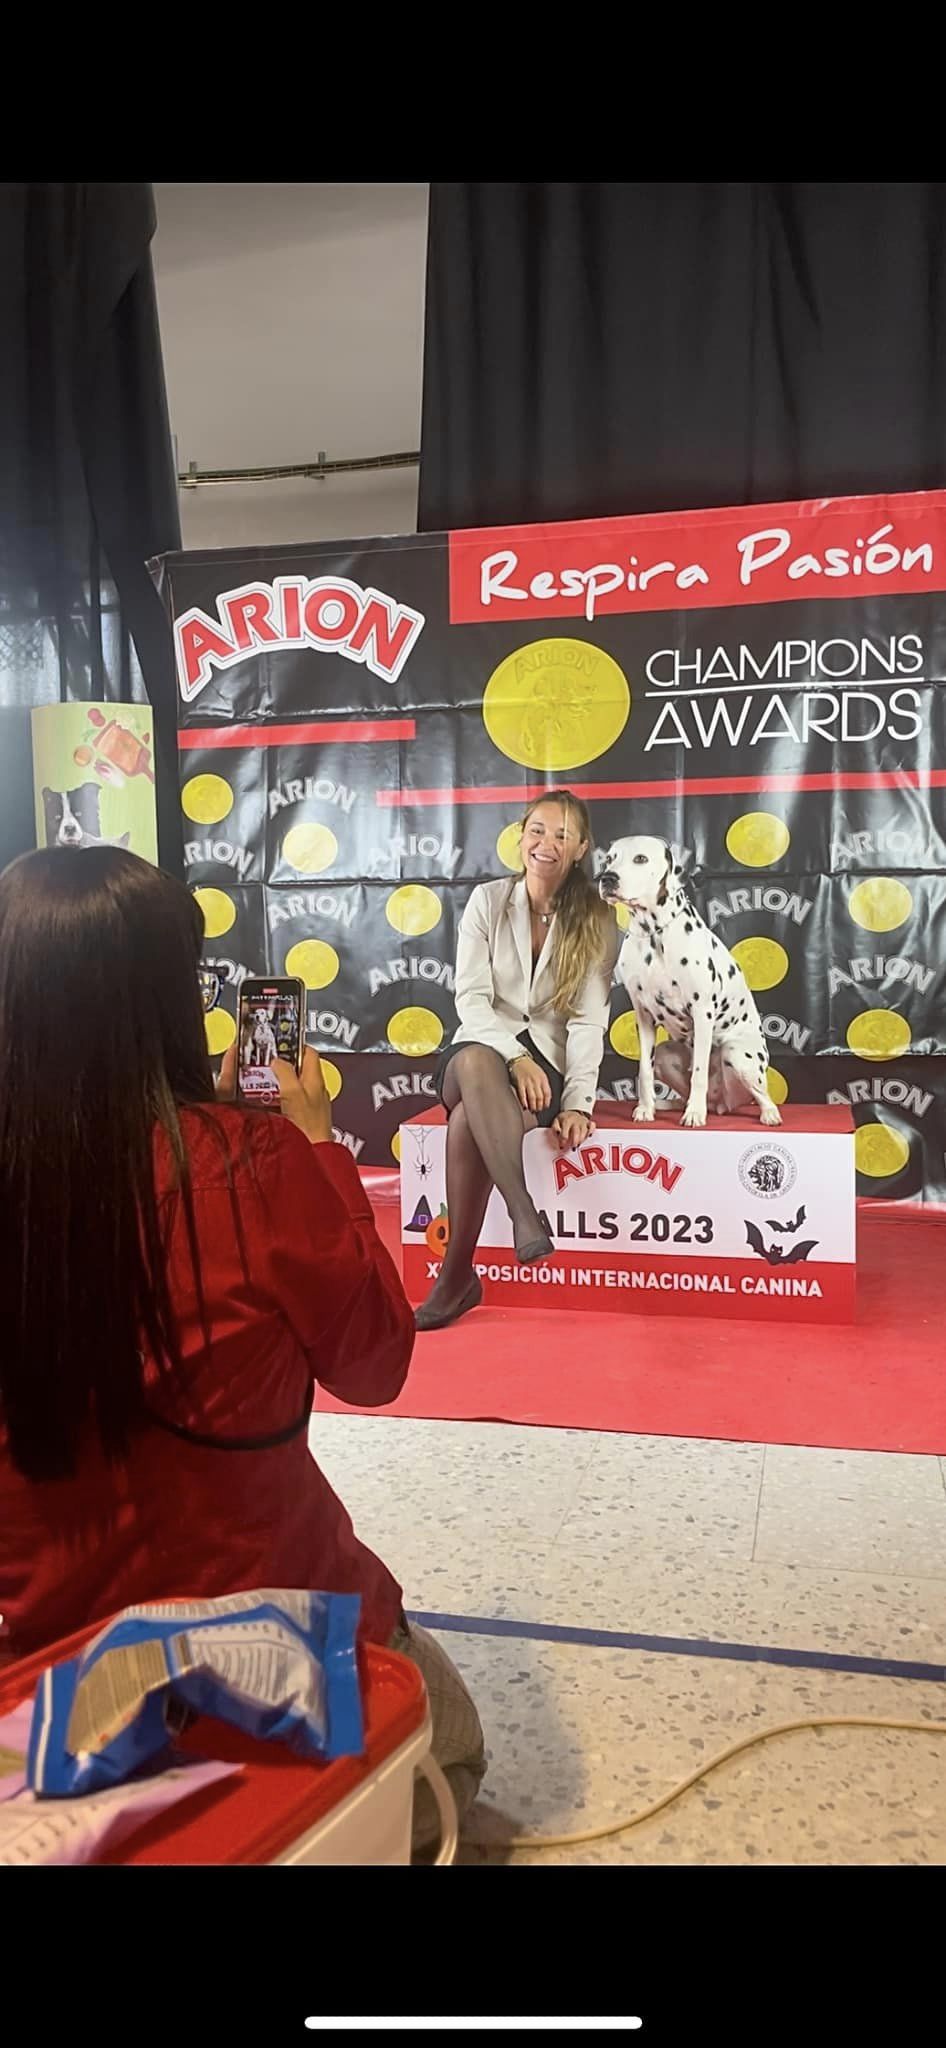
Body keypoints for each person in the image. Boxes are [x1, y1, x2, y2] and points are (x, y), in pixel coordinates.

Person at [0, 847, 484, 1850]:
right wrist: (313, 1146)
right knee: (457, 1752)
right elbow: (375, 1364)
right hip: (280, 1645)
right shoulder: (257, 1163)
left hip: (54, 1677)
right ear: (168, 1004)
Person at [416, 789, 618, 1332]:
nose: (545, 843)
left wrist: (577, 1103)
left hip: (545, 1066)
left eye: (561, 834)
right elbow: (471, 1000)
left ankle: (456, 1278)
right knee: (477, 1062)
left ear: (581, 848)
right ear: (521, 834)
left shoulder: (598, 919)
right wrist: (515, 1056)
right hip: (478, 1051)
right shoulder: (487, 900)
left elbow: (588, 1021)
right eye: (537, 830)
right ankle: (522, 1210)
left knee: (467, 1122)